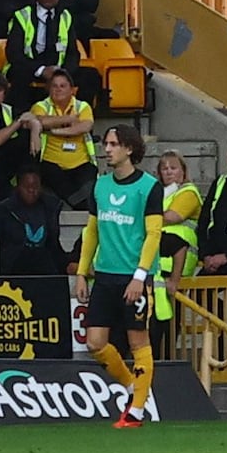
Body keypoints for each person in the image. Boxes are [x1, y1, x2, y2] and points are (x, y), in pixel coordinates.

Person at [75, 122, 168, 427]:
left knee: (138, 342)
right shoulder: (100, 186)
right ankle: (133, 385)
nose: (107, 149)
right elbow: (91, 232)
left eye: (113, 144)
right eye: (106, 144)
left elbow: (154, 234)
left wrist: (140, 276)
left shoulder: (149, 187)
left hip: (134, 279)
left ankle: (137, 411)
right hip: (104, 276)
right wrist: (81, 273)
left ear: (129, 148)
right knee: (95, 342)